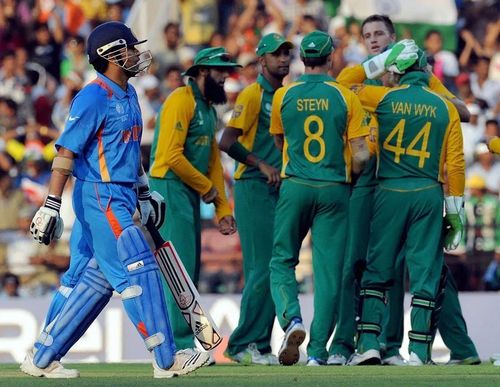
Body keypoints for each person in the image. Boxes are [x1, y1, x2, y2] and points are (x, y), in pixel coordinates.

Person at [21, 21, 209, 379]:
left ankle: (42, 357)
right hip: (101, 196)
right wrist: (51, 204)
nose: (137, 54)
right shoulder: (93, 96)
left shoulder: (130, 94)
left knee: (97, 280)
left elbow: (128, 150)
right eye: (130, 49)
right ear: (110, 55)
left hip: (122, 194)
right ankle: (166, 359)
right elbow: (65, 153)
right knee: (141, 268)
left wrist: (143, 191)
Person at [333, 14, 479, 366]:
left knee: (376, 267)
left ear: (395, 44)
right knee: (427, 271)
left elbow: (341, 86)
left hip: (386, 186)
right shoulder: (438, 104)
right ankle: (418, 350)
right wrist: (456, 212)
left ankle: (371, 342)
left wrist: (389, 68)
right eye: (367, 35)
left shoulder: (380, 97)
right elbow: (456, 161)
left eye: (379, 35)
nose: (371, 39)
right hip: (426, 190)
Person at [268, 30, 371, 366]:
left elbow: (280, 143)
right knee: (329, 272)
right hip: (334, 188)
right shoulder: (345, 97)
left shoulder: (285, 95)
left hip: (296, 183)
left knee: (282, 259)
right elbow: (361, 155)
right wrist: (349, 174)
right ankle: (317, 353)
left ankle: (291, 319)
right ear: (330, 59)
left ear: (303, 59)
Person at [149, 46, 239, 353]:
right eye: (219, 71)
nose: (225, 77)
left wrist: (223, 208)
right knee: (179, 268)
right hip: (168, 188)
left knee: (190, 269)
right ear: (201, 72)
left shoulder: (207, 109)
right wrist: (205, 188)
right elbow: (169, 155)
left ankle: (187, 342)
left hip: (186, 190)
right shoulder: (180, 100)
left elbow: (213, 162)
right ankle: (179, 345)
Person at [219, 33, 293, 365]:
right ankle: (241, 344)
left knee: (276, 267)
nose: (284, 59)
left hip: (280, 190)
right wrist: (260, 163)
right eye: (277, 54)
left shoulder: (288, 96)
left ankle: (261, 344)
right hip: (252, 186)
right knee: (262, 267)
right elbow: (226, 140)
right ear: (261, 60)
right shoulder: (252, 94)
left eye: (287, 53)